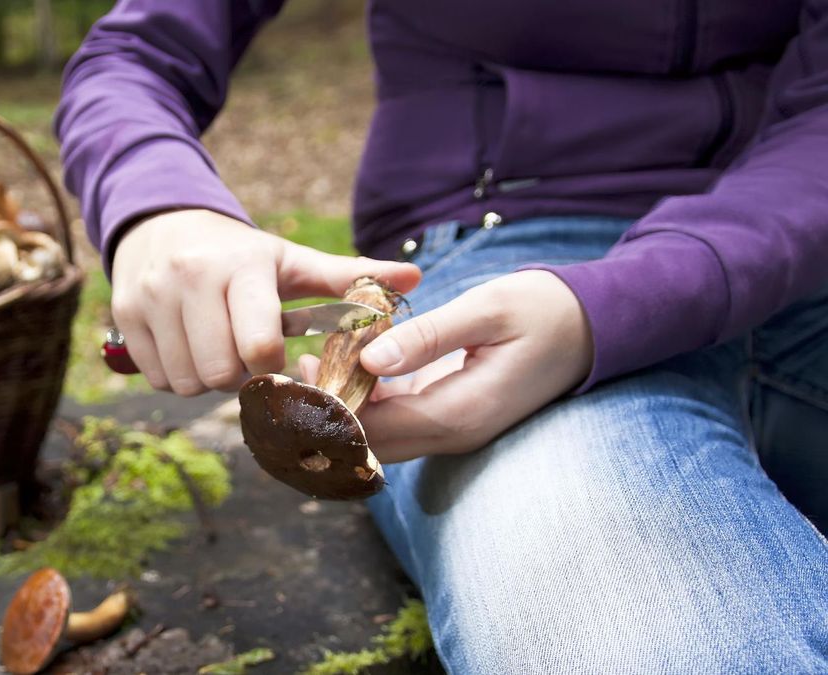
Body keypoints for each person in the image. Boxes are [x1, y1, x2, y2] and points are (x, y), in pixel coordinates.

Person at [54, 2, 828, 671]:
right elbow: (132, 57)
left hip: (804, 250)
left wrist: (625, 300)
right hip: (510, 258)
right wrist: (156, 201)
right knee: (641, 624)